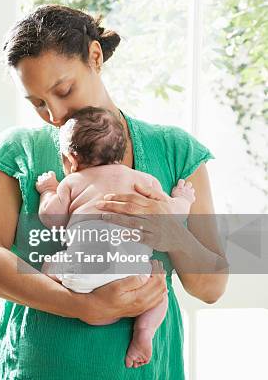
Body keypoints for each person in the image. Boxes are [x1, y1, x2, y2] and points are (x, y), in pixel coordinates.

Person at [0, 4, 228, 379]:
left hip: (144, 370)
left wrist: (172, 234)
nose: (54, 115)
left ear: (95, 56)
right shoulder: (17, 151)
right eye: (37, 103)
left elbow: (210, 286)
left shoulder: (175, 151)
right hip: (38, 366)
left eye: (63, 90)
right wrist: (81, 306)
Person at [35, 106, 196, 368]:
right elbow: (173, 215)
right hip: (135, 274)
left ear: (72, 159)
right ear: (121, 154)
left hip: (82, 273)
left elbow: (51, 219)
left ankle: (91, 308)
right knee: (160, 293)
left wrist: (48, 191)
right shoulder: (144, 181)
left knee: (50, 265)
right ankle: (143, 333)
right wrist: (183, 199)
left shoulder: (73, 183)